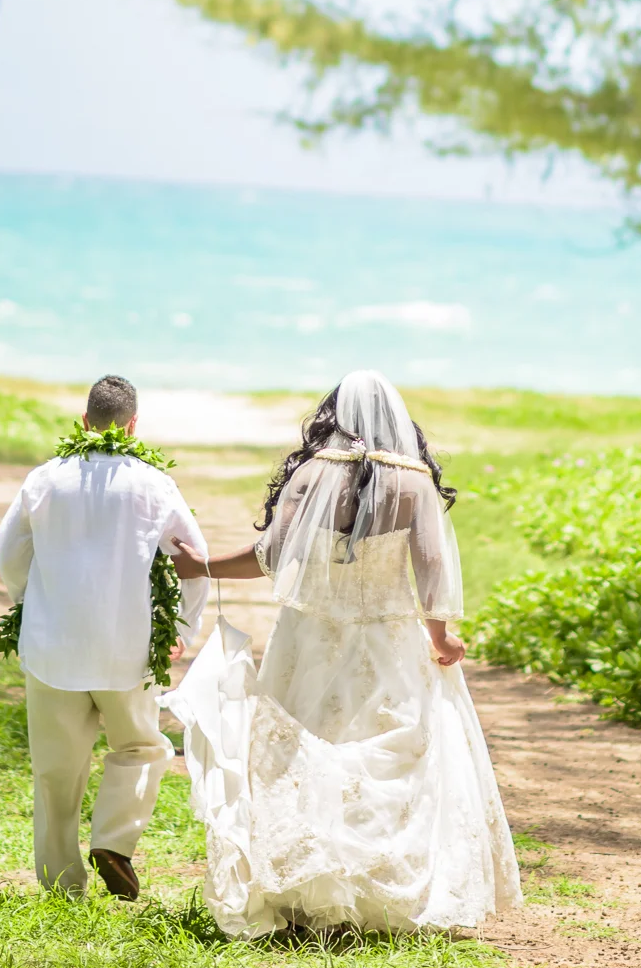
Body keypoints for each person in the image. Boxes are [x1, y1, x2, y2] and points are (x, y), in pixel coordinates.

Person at [164, 369, 521, 936]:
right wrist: (441, 636)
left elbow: (271, 556)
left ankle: (309, 893)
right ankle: (387, 898)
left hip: (309, 638)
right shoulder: (414, 482)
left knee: (304, 751)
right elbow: (430, 571)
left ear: (333, 412)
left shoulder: (310, 474)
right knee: (391, 753)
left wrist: (198, 566)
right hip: (388, 639)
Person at [0, 372, 207, 900]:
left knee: (56, 772)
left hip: (52, 647)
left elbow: (9, 552)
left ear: (85, 421)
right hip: (125, 647)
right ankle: (113, 838)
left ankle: (62, 886)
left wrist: (32, 598)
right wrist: (181, 628)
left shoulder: (44, 479)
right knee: (141, 746)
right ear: (132, 427)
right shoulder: (154, 483)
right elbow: (192, 560)